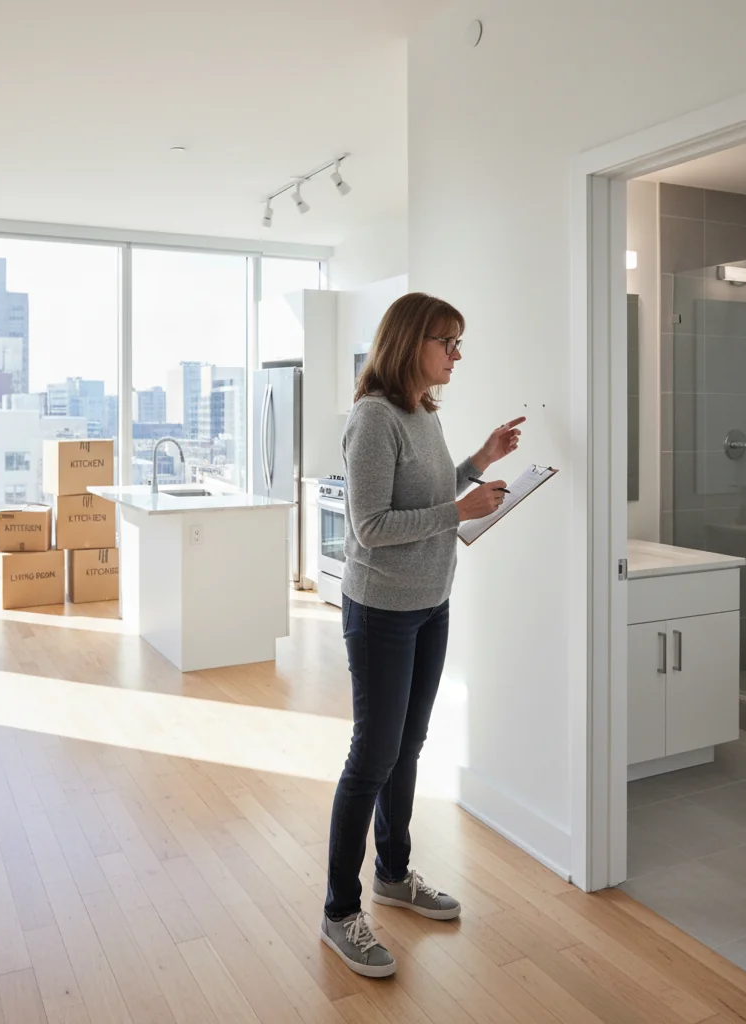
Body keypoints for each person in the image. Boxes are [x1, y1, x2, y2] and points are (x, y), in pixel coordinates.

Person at [320, 292, 524, 978]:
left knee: (407, 747)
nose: (457, 354)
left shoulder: (422, 414)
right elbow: (371, 527)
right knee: (371, 756)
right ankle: (339, 909)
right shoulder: (372, 418)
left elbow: (428, 494)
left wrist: (478, 460)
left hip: (431, 603)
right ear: (414, 343)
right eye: (450, 342)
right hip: (381, 612)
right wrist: (457, 508)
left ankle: (394, 875)